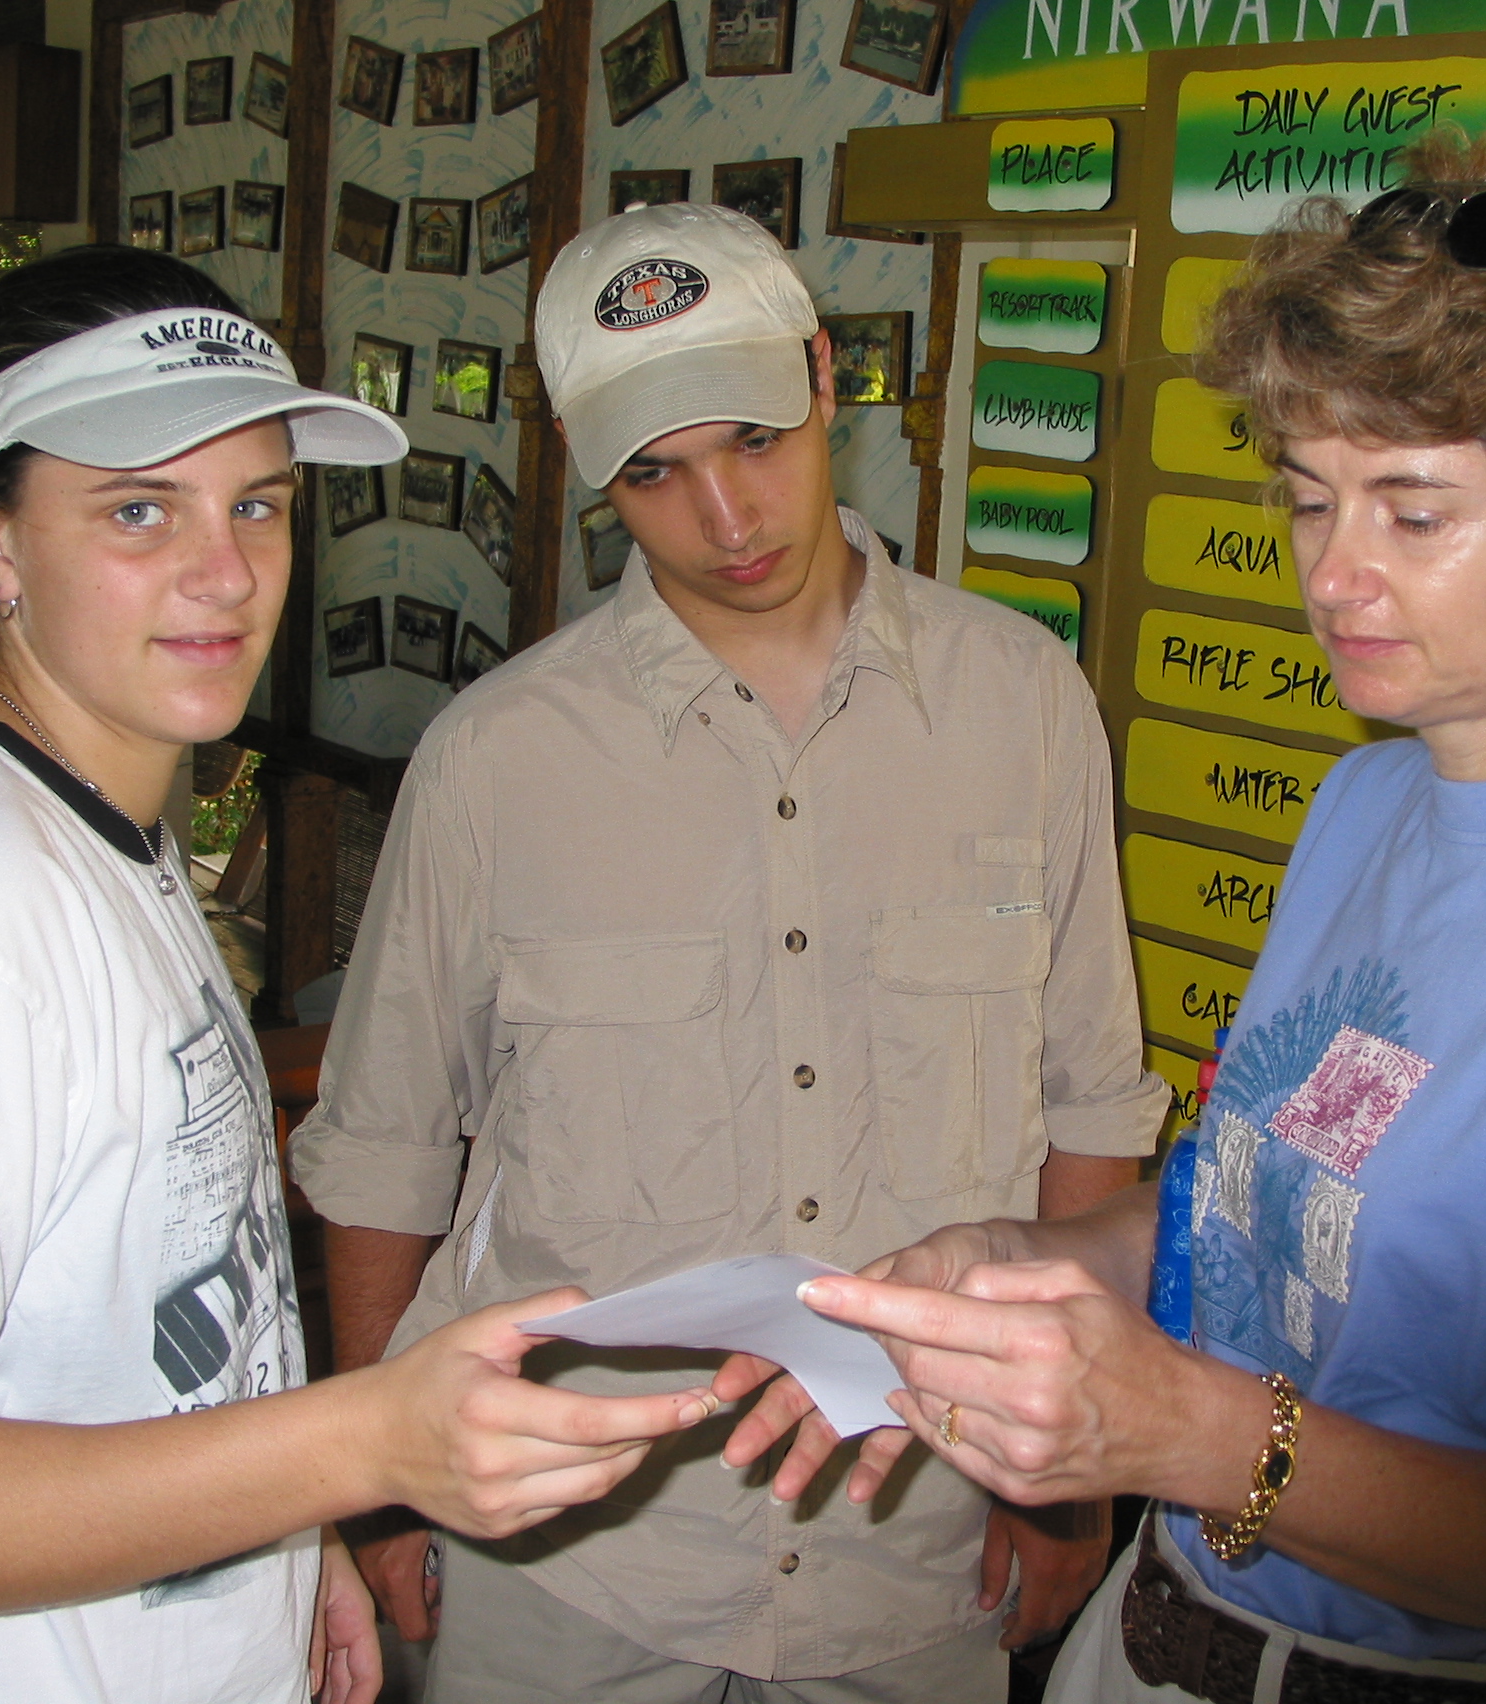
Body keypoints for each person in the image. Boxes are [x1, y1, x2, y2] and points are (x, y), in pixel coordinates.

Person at [756, 136, 1486, 1704]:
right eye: (1311, 500)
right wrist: (1031, 1261)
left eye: (1414, 514)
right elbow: (1255, 1215)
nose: (1336, 574)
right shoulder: (1371, 800)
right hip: (1159, 1637)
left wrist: (1180, 1432)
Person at [0, 245, 720, 1704]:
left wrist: (287, 1529)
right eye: (139, 509)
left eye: (257, 502)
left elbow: (153, 1338)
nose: (227, 571)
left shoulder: (109, 838)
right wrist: (361, 1446)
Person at [286, 201, 1170, 1701]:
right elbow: (383, 1157)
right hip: (570, 1568)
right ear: (591, 473)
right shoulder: (494, 762)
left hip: (919, 1542)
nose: (729, 516)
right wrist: (381, 1484)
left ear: (827, 379)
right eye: (657, 472)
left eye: (756, 438)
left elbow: (1089, 1117)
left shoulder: (1023, 707)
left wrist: (1057, 1482)